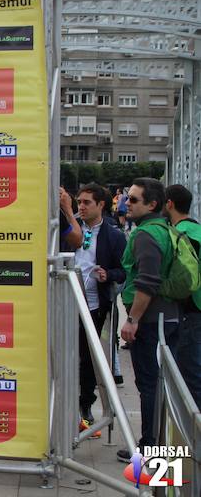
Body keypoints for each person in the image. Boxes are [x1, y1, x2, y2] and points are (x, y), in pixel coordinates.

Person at [116, 178, 181, 463]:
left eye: (133, 200)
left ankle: (151, 450)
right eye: (127, 198)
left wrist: (132, 319)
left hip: (153, 322)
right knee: (159, 385)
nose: (126, 203)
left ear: (152, 204)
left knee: (150, 386)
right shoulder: (164, 229)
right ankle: (160, 451)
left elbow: (147, 283)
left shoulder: (146, 235)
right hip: (168, 319)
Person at [73, 183, 126, 426]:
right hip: (64, 302)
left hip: (94, 306)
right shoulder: (68, 229)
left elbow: (123, 271)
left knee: (88, 358)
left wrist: (109, 275)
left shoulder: (114, 236)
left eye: (86, 203)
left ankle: (86, 403)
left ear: (101, 205)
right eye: (79, 202)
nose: (81, 207)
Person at [164, 184, 201, 409]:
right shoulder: (197, 229)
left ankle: (193, 436)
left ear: (169, 204)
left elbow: (181, 280)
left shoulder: (180, 235)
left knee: (191, 372)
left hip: (191, 310)